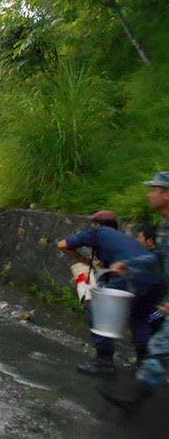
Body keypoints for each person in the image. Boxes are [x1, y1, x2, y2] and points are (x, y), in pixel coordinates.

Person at [58, 210, 165, 377]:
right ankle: (143, 364)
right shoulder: (124, 240)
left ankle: (103, 362)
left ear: (96, 224)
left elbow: (63, 245)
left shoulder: (98, 232)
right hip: (155, 278)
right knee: (139, 318)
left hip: (131, 274)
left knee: (97, 309)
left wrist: (88, 262)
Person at [101, 172, 169, 411]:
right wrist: (129, 265)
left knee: (160, 346)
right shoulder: (163, 227)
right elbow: (158, 259)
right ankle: (134, 399)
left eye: (155, 189)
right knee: (160, 346)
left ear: (167, 194)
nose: (150, 194)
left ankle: (134, 399)